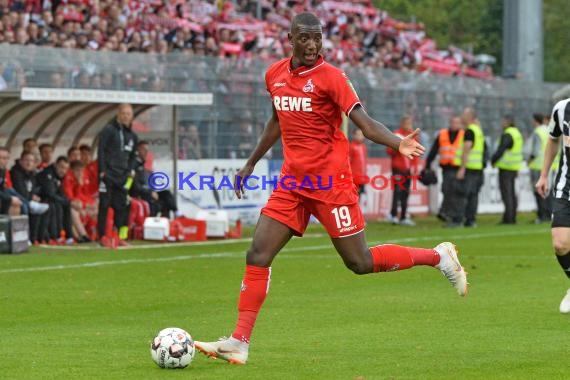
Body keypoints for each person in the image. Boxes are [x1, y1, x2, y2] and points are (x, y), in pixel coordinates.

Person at [194, 12, 468, 365]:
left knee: (359, 262)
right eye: (304, 38)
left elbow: (365, 124)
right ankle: (239, 341)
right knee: (257, 254)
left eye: (317, 37)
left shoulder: (332, 78)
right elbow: (277, 120)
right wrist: (251, 162)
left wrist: (396, 142)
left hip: (331, 184)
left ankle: (438, 257)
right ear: (290, 39)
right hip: (293, 183)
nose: (312, 44)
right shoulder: (274, 74)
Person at [536, 98, 570, 314]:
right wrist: (543, 175)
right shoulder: (561, 108)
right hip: (566, 187)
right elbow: (552, 140)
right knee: (560, 244)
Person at [97, 103, 139, 247]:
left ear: (132, 116)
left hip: (123, 176)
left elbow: (134, 156)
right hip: (108, 174)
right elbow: (101, 150)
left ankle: (121, 236)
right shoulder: (109, 130)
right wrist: (102, 170)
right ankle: (102, 236)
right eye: (124, 113)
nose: (126, 116)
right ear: (118, 114)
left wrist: (130, 171)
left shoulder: (133, 136)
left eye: (129, 113)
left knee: (123, 207)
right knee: (104, 205)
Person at [425, 116, 464, 224]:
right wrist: (427, 165)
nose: (454, 125)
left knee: (455, 192)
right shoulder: (442, 134)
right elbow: (434, 150)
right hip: (447, 168)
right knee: (447, 190)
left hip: (459, 168)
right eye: (453, 122)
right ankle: (447, 212)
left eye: (457, 123)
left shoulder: (464, 135)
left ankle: (449, 213)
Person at [131, 140, 180, 218]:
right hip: (140, 195)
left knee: (166, 194)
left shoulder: (142, 165)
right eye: (144, 150)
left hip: (147, 192)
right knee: (154, 202)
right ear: (138, 150)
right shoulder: (134, 165)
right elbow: (136, 186)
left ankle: (176, 214)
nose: (147, 152)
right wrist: (150, 192)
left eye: (147, 150)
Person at [455, 107, 486, 227]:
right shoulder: (478, 130)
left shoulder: (470, 131)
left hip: (469, 167)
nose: (462, 117)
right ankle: (470, 220)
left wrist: (462, 168)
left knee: (463, 194)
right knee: (473, 195)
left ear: (470, 117)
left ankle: (459, 220)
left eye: (464, 115)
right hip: (477, 167)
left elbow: (466, 149)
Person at [386, 114, 419, 226]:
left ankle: (404, 216)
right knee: (397, 192)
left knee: (405, 193)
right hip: (398, 168)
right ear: (402, 124)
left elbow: (416, 154)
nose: (409, 126)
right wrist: (398, 147)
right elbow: (389, 151)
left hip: (408, 169)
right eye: (407, 123)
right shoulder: (396, 135)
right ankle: (393, 215)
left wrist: (415, 167)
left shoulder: (413, 136)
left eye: (410, 123)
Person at [491, 115, 523, 224]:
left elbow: (501, 149)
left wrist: (493, 160)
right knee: (511, 193)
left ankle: (509, 218)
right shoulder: (517, 133)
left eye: (503, 121)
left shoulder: (508, 134)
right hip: (514, 167)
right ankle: (512, 217)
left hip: (506, 167)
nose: (502, 123)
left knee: (507, 194)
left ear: (508, 122)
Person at [527, 113, 552, 224]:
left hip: (538, 165)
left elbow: (535, 151)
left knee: (539, 191)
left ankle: (542, 215)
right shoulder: (548, 130)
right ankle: (548, 213)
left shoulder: (537, 132)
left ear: (535, 120)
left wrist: (529, 161)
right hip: (549, 165)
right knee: (548, 191)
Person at [0, 147, 22, 216]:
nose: (1, 160)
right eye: (0, 157)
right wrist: (9, 198)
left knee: (17, 203)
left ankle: (11, 226)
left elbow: (2, 188)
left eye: (5, 158)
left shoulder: (2, 171)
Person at [349, 128, 367, 197]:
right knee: (354, 195)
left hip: (362, 177)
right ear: (354, 135)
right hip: (354, 177)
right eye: (358, 134)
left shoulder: (363, 147)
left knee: (360, 195)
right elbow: (348, 162)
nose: (360, 136)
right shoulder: (351, 146)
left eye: (361, 135)